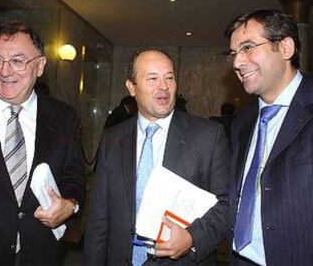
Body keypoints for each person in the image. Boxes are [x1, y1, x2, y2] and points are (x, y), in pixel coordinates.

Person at [224, 9, 313, 265]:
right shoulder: (241, 123)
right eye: (233, 53)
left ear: (285, 48)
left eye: (248, 47)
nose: (237, 63)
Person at [0, 20, 85, 265]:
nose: (5, 71)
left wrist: (70, 206)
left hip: (39, 255)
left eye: (18, 61)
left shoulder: (64, 117)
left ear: (40, 66)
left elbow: (73, 177)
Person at [82, 49, 230, 265]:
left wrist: (192, 237)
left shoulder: (208, 136)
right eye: (153, 78)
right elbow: (99, 217)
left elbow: (226, 205)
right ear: (131, 87)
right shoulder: (113, 139)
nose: (164, 86)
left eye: (169, 77)